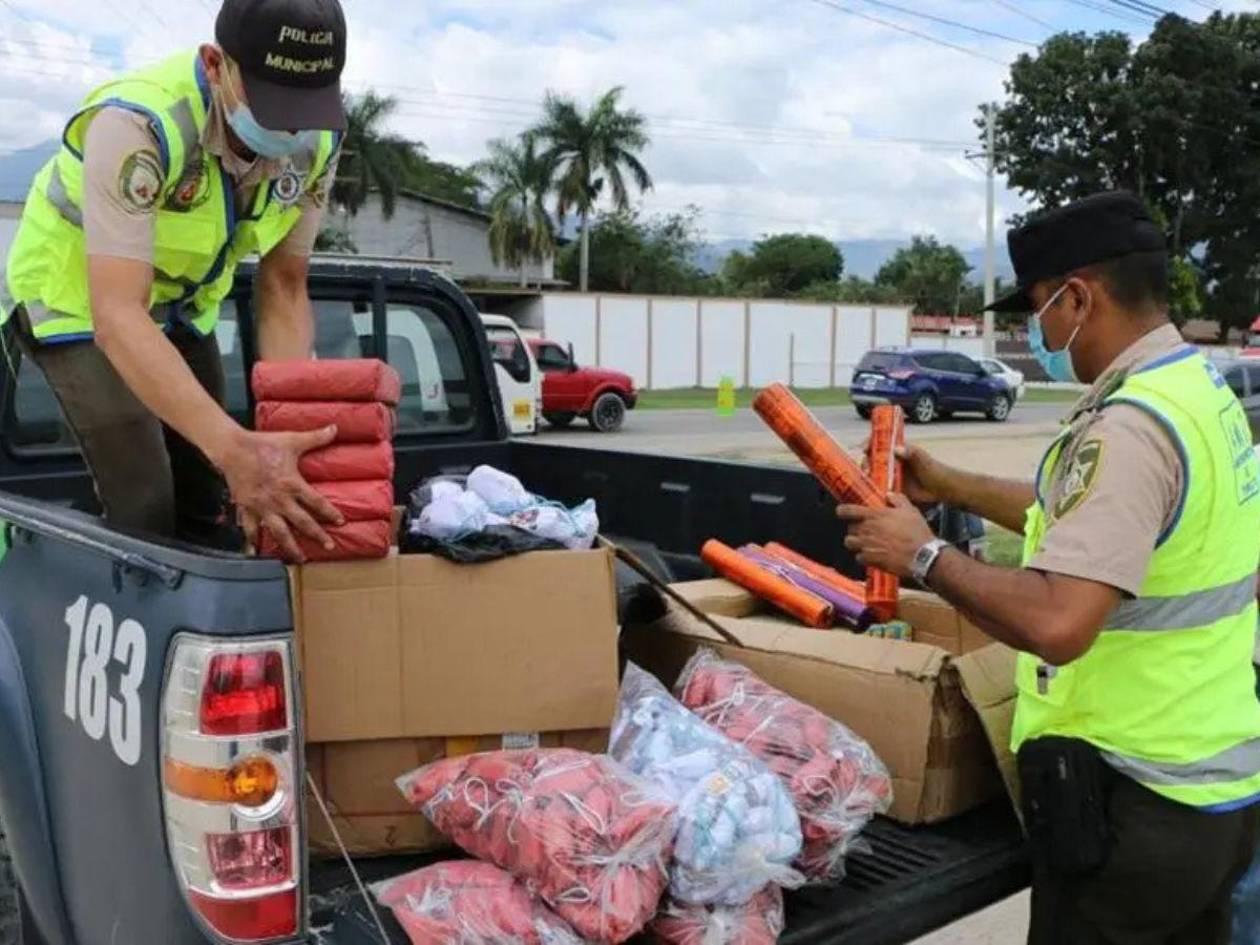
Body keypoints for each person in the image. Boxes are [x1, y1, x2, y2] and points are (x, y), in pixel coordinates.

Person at [840, 191, 1260, 945]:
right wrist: (951, 484)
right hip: (1213, 794)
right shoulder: (1195, 392)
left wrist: (921, 554)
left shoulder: (1131, 427)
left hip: (1136, 800)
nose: (1033, 331)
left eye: (1036, 308)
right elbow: (1095, 524)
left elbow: (1060, 621)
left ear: (1078, 296)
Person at [4, 0, 351, 560]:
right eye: (271, 104)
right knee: (146, 498)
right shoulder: (138, 124)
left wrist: (285, 435)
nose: (289, 127)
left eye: (303, 107)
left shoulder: (319, 143)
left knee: (209, 495)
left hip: (181, 307)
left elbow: (284, 286)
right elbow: (117, 315)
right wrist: (236, 450)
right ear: (216, 65)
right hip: (74, 299)